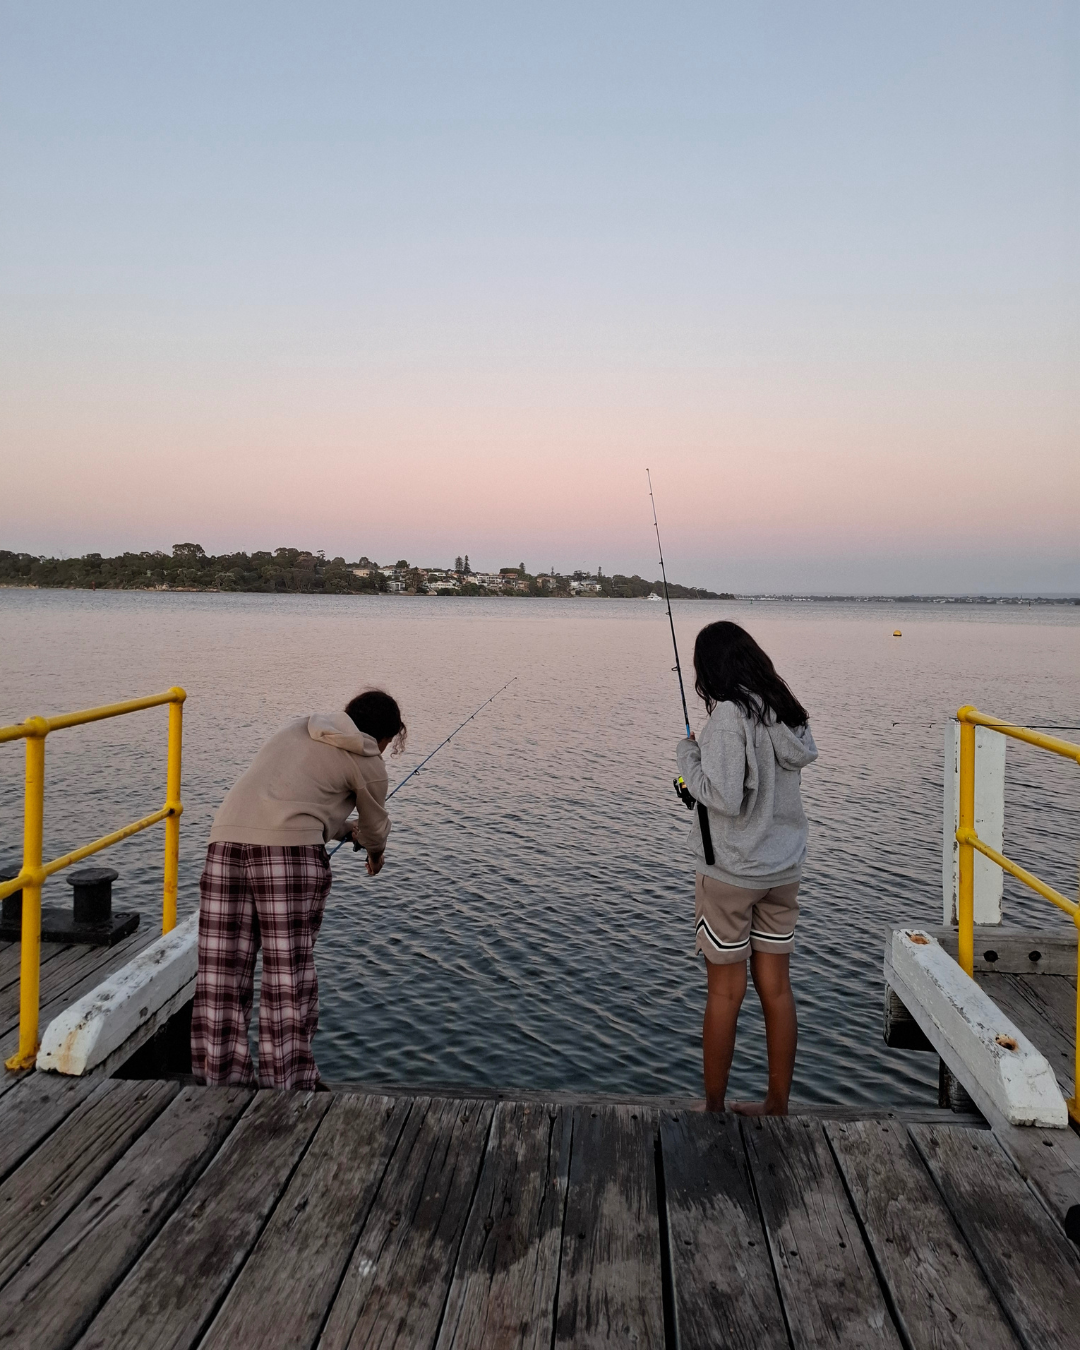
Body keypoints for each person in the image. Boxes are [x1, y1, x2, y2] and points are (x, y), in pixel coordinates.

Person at [190, 688, 405, 1091]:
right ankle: (288, 1082)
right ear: (386, 736)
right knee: (287, 973)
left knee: (222, 972)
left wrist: (342, 829)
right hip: (287, 858)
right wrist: (375, 854)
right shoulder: (369, 760)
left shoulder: (299, 728)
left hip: (224, 843)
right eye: (389, 742)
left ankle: (220, 1081)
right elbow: (376, 828)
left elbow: (291, 801)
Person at [675, 622, 817, 1115]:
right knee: (777, 990)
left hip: (732, 876)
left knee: (725, 993)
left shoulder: (730, 718)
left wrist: (688, 758)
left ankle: (713, 1108)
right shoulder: (788, 712)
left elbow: (724, 797)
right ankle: (776, 1105)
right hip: (782, 872)